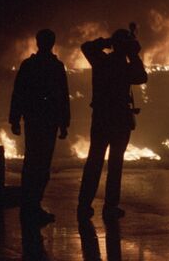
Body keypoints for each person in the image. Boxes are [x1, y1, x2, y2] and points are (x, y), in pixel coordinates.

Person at [77, 27, 147, 220]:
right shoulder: (125, 67)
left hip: (101, 118)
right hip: (119, 120)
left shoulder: (101, 61)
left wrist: (108, 41)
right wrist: (133, 54)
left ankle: (84, 204)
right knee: (115, 164)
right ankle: (110, 206)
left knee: (94, 161)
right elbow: (142, 76)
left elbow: (86, 46)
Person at [9, 29, 70, 223]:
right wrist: (64, 123)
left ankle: (30, 206)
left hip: (35, 120)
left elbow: (18, 93)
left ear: (38, 43)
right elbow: (63, 97)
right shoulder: (55, 66)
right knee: (41, 165)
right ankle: (33, 206)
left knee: (32, 164)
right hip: (47, 121)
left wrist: (15, 119)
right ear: (52, 43)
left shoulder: (29, 65)